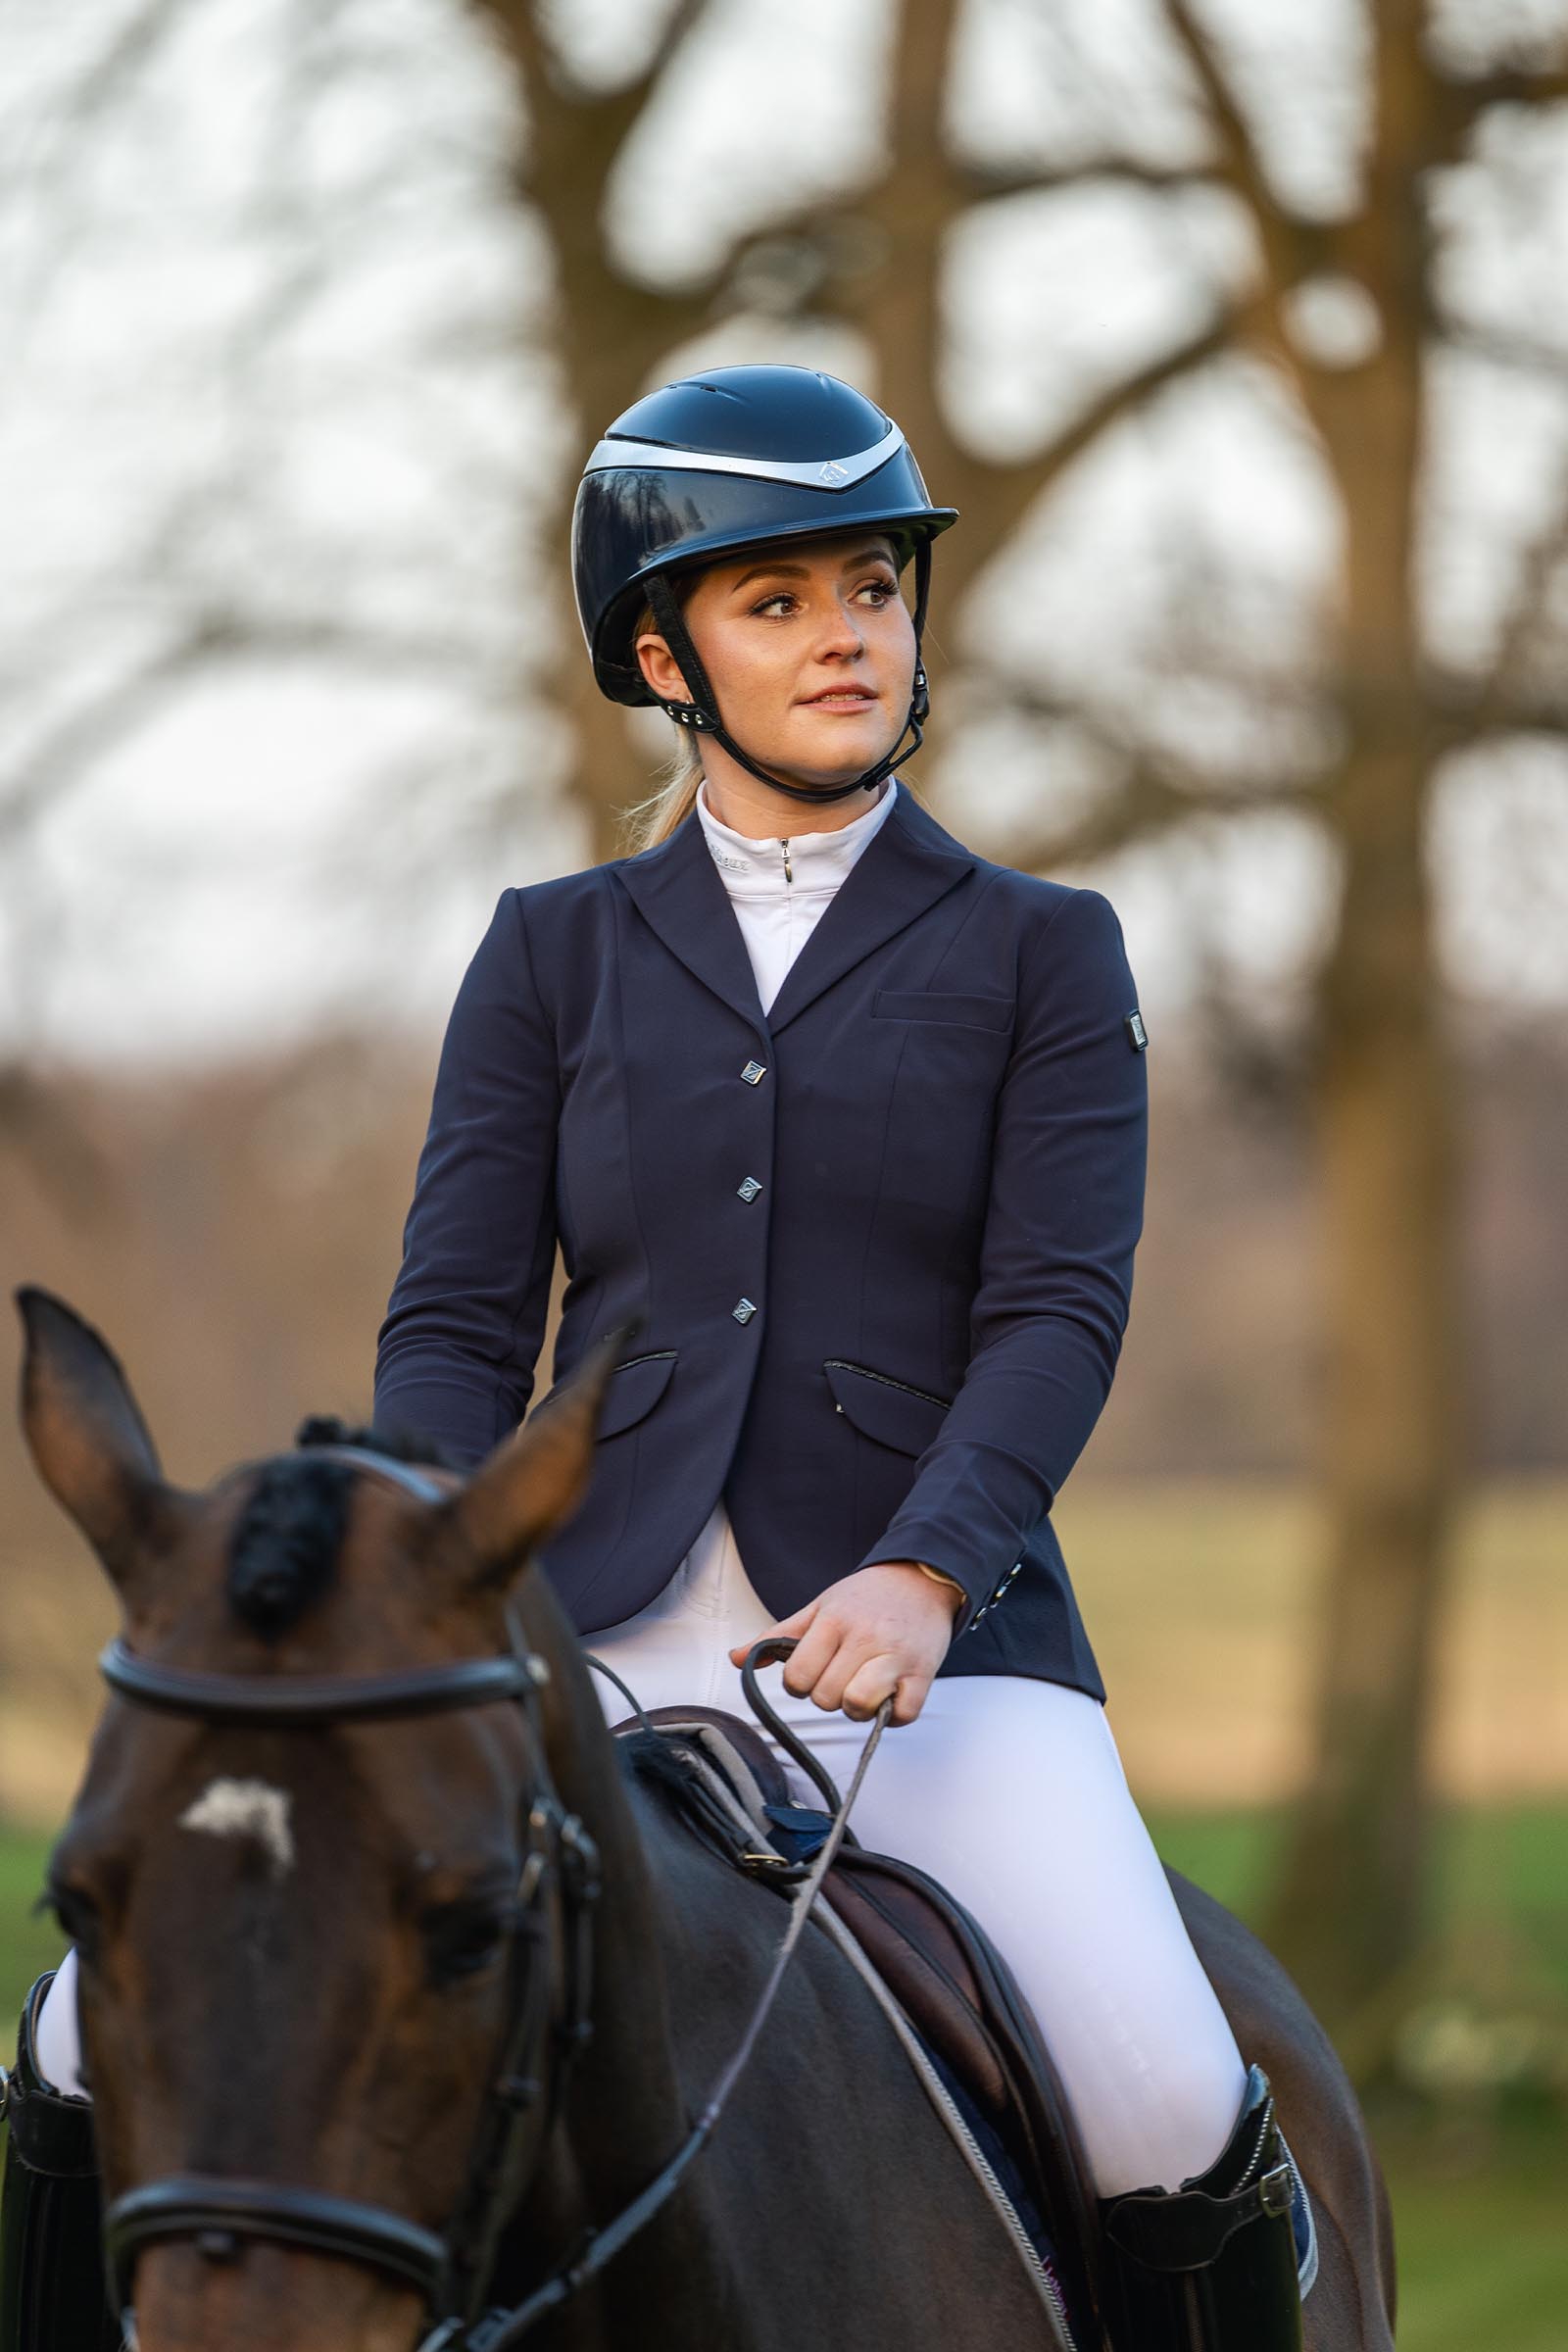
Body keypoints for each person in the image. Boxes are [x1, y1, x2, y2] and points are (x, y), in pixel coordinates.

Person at [0, 366, 1309, 2352]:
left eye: (869, 586)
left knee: (1161, 2090)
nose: (846, 632)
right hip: (572, 1638)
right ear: (658, 651)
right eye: (774, 600)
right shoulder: (548, 950)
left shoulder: (1043, 951)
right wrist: (416, 1571)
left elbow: (1054, 1309)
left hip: (929, 1668)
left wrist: (925, 1568)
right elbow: (452, 1320)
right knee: (81, 2040)